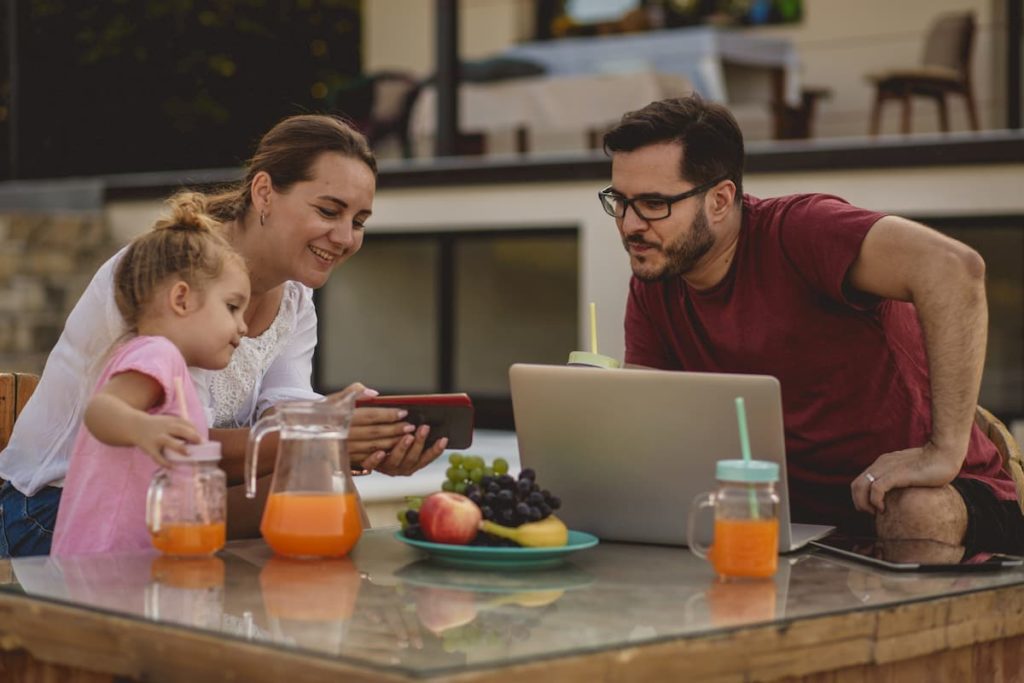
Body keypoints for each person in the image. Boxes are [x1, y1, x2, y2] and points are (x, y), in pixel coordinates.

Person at [0, 115, 446, 557]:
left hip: (166, 501)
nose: (346, 237)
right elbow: (186, 444)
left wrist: (363, 439)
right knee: (312, 485)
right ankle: (368, 612)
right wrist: (325, 439)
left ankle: (353, 611)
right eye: (329, 211)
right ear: (264, 192)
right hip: (58, 514)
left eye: (360, 221)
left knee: (323, 478)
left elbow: (283, 415)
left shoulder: (294, 298)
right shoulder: (171, 276)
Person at [600, 95, 1024, 553]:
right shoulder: (655, 279)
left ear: (720, 200)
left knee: (915, 510)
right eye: (619, 202)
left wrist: (944, 452)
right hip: (791, 518)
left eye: (653, 204)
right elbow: (652, 431)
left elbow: (955, 270)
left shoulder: (800, 232)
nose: (629, 226)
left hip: (942, 497)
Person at [52, 197, 249, 556]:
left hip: (142, 560)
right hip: (108, 564)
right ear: (182, 299)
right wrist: (143, 429)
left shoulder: (170, 363)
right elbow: (101, 410)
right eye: (232, 307)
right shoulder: (158, 353)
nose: (243, 326)